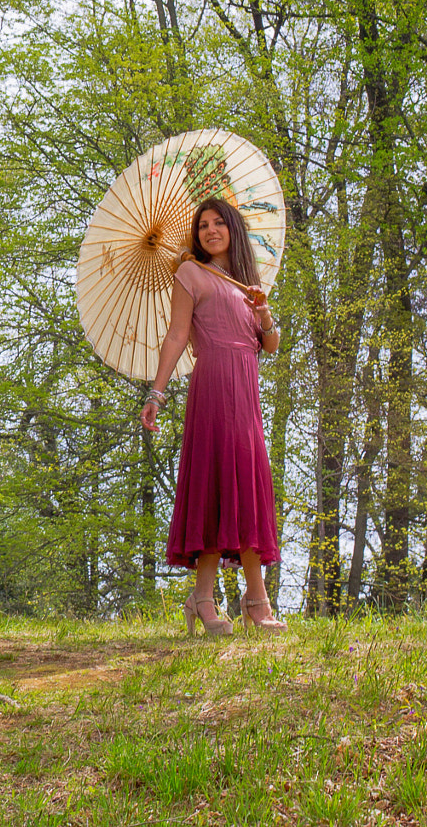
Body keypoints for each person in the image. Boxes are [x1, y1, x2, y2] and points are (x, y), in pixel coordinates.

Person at [138, 196, 287, 636]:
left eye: (219, 223)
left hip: (247, 389)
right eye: (202, 225)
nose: (210, 230)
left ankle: (245, 599)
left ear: (233, 230)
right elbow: (177, 335)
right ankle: (221, 600)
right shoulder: (190, 272)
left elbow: (271, 345)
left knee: (247, 483)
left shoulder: (247, 280)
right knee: (216, 483)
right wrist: (157, 392)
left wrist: (263, 311)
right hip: (213, 387)